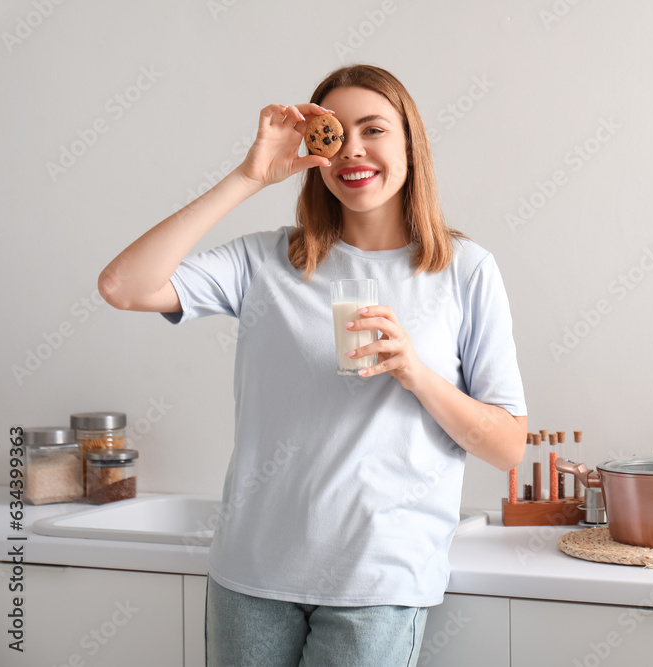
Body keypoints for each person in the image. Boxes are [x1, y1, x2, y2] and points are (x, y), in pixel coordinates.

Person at [98, 64, 527, 666]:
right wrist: (249, 177)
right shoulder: (267, 261)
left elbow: (508, 446)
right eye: (334, 133)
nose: (353, 149)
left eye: (373, 129)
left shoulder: (464, 270)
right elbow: (122, 285)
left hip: (377, 583)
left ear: (409, 142)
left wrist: (416, 373)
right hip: (250, 579)